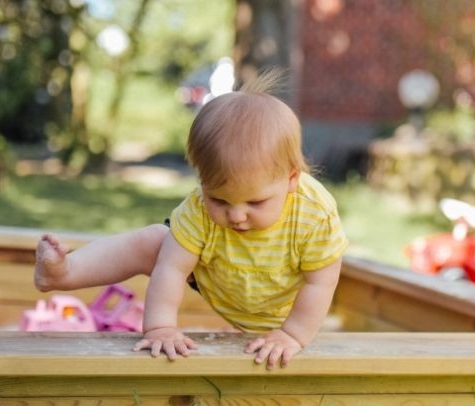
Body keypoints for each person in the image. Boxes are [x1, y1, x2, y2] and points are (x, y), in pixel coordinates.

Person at [34, 71, 349, 369]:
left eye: (256, 202)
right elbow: (171, 269)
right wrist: (160, 328)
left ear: (292, 179)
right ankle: (64, 273)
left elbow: (321, 281)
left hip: (282, 304)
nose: (236, 216)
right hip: (219, 276)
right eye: (219, 199)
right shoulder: (198, 209)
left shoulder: (313, 214)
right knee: (154, 241)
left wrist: (292, 334)